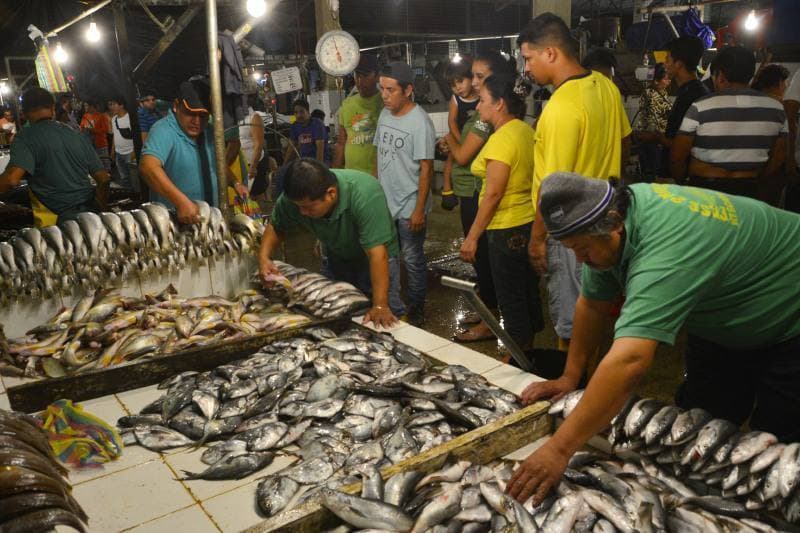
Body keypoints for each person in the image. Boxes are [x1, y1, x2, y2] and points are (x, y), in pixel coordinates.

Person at [506, 174, 800, 505]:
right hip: (721, 313)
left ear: (614, 225)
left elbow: (630, 361)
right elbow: (592, 304)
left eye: (583, 249)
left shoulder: (667, 249)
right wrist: (570, 377)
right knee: (698, 427)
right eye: (572, 249)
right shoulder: (605, 220)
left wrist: (559, 449)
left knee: (777, 451)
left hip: (789, 311)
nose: (580, 259)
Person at [517, 12, 632, 349]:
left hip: (570, 230)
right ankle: (592, 376)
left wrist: (538, 239)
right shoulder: (606, 87)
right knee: (597, 306)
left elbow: (550, 188)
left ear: (550, 53)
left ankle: (574, 386)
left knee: (572, 317)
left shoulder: (561, 108)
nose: (526, 68)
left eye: (528, 58)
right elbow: (625, 141)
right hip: (606, 219)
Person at [258, 158, 405, 327]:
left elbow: (377, 254)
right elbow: (277, 225)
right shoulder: (296, 199)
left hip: (377, 258)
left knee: (385, 316)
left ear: (331, 194)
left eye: (309, 207)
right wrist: (264, 258)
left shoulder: (364, 193)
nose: (302, 213)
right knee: (333, 314)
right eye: (298, 207)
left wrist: (380, 305)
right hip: (336, 253)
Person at [459, 73, 543, 358]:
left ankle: (517, 356)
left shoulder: (500, 141)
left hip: (505, 228)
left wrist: (472, 237)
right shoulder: (524, 130)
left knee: (510, 297)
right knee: (526, 289)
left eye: (482, 101)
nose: (478, 107)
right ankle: (528, 348)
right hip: (526, 223)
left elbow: (493, 193)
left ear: (499, 104)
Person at [443, 51, 515, 343]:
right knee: (484, 262)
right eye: (471, 77)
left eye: (479, 77)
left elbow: (462, 154)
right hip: (474, 192)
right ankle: (489, 311)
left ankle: (491, 321)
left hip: (480, 193)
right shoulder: (482, 115)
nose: (473, 84)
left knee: (485, 259)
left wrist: (446, 140)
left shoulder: (489, 121)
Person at [670, 46, 786, 201]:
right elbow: (779, 157)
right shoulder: (777, 109)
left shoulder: (700, 106)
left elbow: (677, 157)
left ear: (720, 76)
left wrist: (682, 182)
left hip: (706, 189)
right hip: (749, 191)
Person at [374, 61, 436, 326]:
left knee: (412, 260)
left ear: (408, 90)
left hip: (410, 203)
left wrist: (419, 208)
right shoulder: (384, 114)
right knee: (388, 257)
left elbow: (426, 168)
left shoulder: (420, 122)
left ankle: (417, 306)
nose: (385, 95)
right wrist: (375, 195)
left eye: (391, 90)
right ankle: (393, 305)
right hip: (385, 203)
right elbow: (378, 156)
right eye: (382, 89)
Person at [0, 88, 110, 227]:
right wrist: (100, 208)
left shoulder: (25, 137)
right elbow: (104, 179)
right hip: (91, 217)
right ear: (52, 108)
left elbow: (11, 179)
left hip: (57, 225)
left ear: (24, 112)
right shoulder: (75, 134)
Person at [139, 81, 221, 224]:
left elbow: (215, 162)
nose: (197, 121)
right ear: (176, 106)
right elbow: (148, 167)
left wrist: (236, 183)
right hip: (173, 224)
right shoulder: (163, 130)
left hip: (210, 219)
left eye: (203, 115)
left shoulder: (208, 130)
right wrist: (181, 202)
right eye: (190, 113)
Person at [636, 37, 708, 177]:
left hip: (682, 177)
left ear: (679, 64)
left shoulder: (692, 95)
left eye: (668, 59)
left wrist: (657, 139)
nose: (665, 64)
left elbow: (683, 145)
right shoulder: (691, 90)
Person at [333, 54, 383, 175]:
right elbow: (341, 143)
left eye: (365, 76)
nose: (359, 81)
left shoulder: (385, 103)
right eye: (357, 75)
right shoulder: (347, 105)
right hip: (352, 175)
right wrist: (335, 174)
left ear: (377, 76)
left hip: (378, 176)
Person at [635, 63, 672, 181]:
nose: (669, 81)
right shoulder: (649, 95)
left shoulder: (663, 93)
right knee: (652, 174)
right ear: (656, 81)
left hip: (660, 139)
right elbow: (650, 119)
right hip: (651, 140)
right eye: (666, 79)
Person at [240, 97, 269, 198]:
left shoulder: (254, 117)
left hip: (253, 164)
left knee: (252, 197)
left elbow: (259, 144)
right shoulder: (233, 118)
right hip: (239, 164)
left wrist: (253, 166)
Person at [108, 96, 136, 191]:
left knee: (134, 178)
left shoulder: (130, 118)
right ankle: (129, 196)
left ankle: (137, 196)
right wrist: (112, 151)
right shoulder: (114, 119)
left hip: (130, 153)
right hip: (118, 153)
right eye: (111, 104)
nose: (111, 107)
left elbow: (137, 136)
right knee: (124, 178)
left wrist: (134, 152)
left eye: (114, 104)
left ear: (121, 105)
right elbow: (115, 136)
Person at [80, 100, 111, 172]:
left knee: (105, 163)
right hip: (90, 145)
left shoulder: (101, 116)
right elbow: (81, 127)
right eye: (84, 106)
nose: (85, 107)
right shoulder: (85, 116)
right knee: (95, 164)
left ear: (92, 106)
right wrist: (83, 130)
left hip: (101, 144)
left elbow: (106, 129)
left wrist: (94, 130)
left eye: (86, 105)